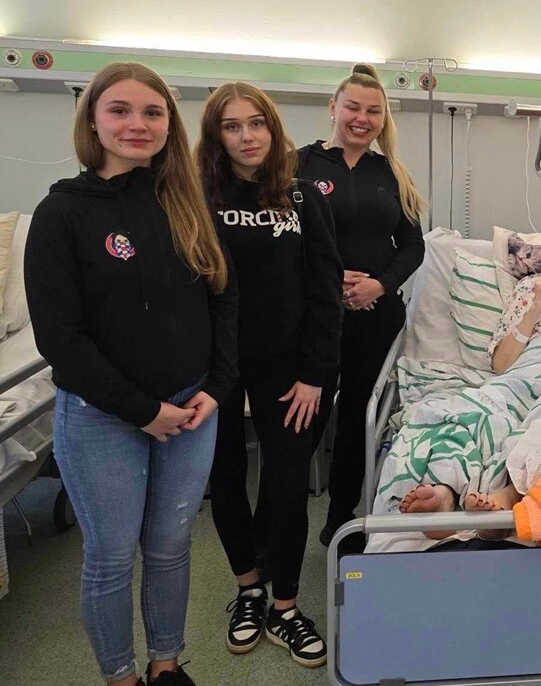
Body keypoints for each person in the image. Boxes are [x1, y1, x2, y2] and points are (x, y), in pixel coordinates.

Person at [25, 62, 237, 686]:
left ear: (170, 125)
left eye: (153, 112)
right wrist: (143, 412)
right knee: (112, 556)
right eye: (119, 110)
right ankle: (120, 677)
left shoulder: (186, 204)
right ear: (92, 120)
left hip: (191, 408)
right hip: (102, 417)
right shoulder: (62, 213)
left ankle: (166, 665)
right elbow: (60, 340)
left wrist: (216, 388)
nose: (136, 124)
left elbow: (223, 298)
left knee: (171, 547)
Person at [196, 82, 342, 669]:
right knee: (226, 477)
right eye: (232, 126)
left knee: (285, 485)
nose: (247, 136)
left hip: (289, 369)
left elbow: (325, 289)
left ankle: (285, 605)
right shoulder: (195, 198)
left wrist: (316, 373)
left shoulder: (302, 197)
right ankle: (248, 592)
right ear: (216, 135)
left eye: (256, 123)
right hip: (215, 368)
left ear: (272, 128)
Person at [395, 209, 541, 539]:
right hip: (523, 376)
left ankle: (509, 496)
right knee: (471, 412)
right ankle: (444, 492)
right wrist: (536, 307)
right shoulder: (526, 291)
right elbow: (502, 365)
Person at [297, 62, 426, 547]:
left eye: (373, 111)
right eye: (352, 107)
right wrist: (327, 283)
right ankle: (278, 523)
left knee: (357, 417)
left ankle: (340, 518)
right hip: (313, 317)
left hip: (375, 317)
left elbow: (412, 245)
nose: (362, 118)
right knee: (303, 419)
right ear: (333, 107)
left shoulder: (391, 173)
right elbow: (282, 243)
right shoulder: (297, 167)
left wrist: (381, 285)